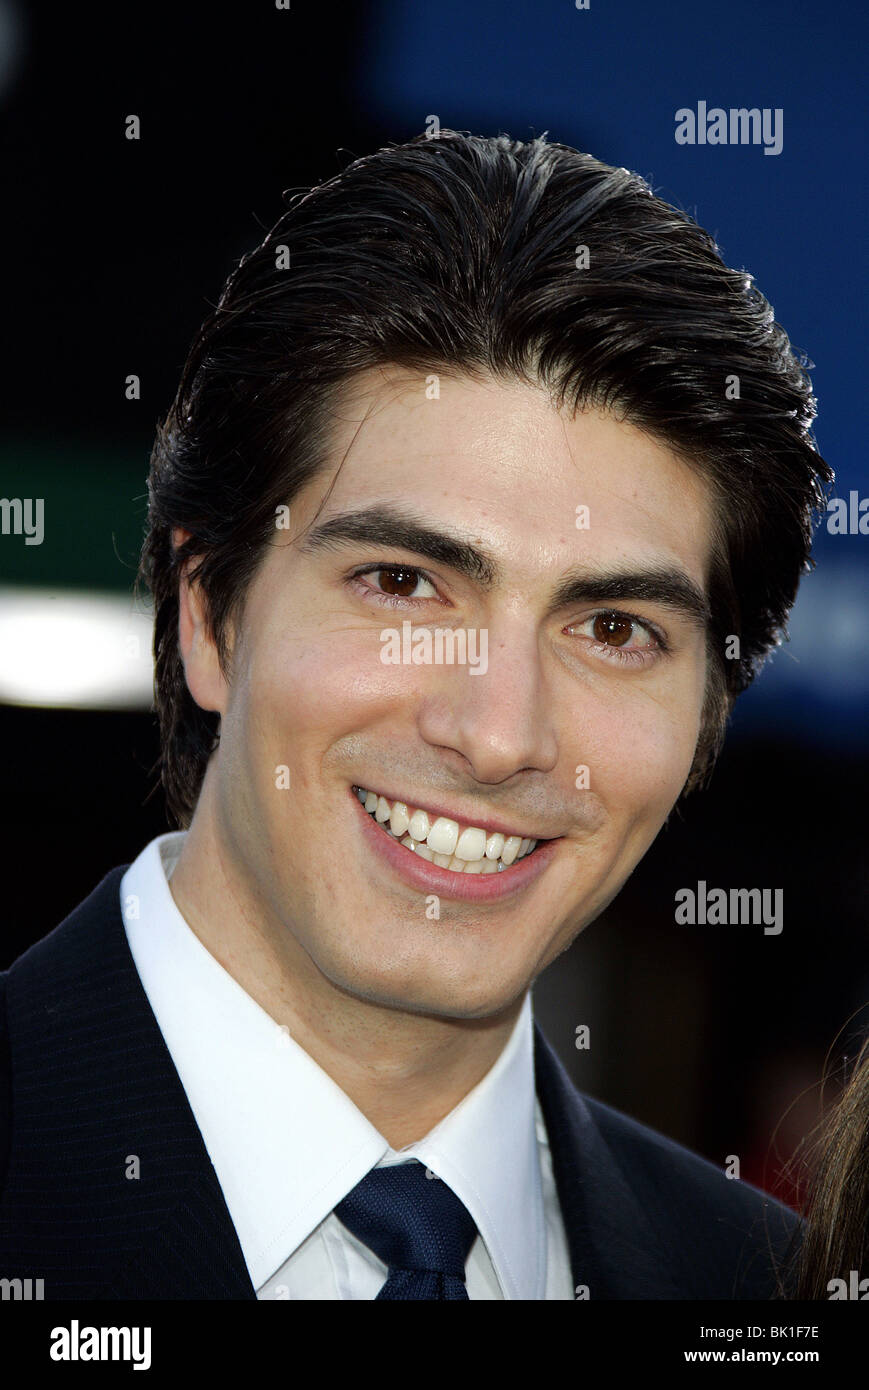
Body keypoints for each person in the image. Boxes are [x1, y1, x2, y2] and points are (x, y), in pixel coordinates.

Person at [0, 129, 831, 1300]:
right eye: (401, 582)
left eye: (611, 631)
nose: (498, 735)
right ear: (209, 615)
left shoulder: (772, 1295)